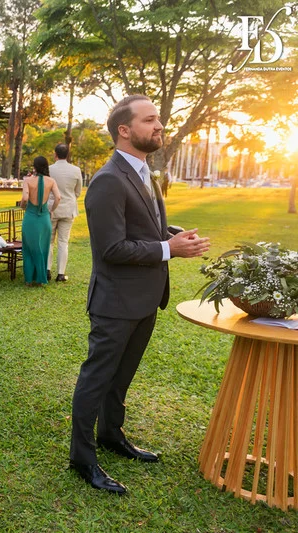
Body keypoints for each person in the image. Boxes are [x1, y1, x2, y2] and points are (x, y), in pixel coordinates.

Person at [69, 95, 211, 495]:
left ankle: (112, 436)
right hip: (115, 302)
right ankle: (83, 457)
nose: (160, 125)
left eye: (160, 120)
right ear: (124, 131)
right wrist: (169, 250)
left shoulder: (145, 172)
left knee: (121, 379)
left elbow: (144, 228)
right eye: (150, 120)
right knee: (96, 379)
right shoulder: (108, 179)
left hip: (146, 298)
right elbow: (111, 249)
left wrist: (173, 236)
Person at [21, 156, 60, 286]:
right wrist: (51, 210)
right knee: (43, 247)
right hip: (44, 218)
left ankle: (29, 279)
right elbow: (58, 198)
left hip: (30, 217)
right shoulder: (51, 181)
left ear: (35, 166)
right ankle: (40, 279)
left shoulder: (28, 180)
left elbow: (25, 198)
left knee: (29, 247)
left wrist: (22, 206)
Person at [48, 144, 83, 282]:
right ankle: (61, 273)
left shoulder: (49, 169)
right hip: (68, 208)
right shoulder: (76, 170)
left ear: (55, 154)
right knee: (63, 241)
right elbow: (78, 191)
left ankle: (47, 270)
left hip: (51, 209)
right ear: (68, 154)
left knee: (48, 242)